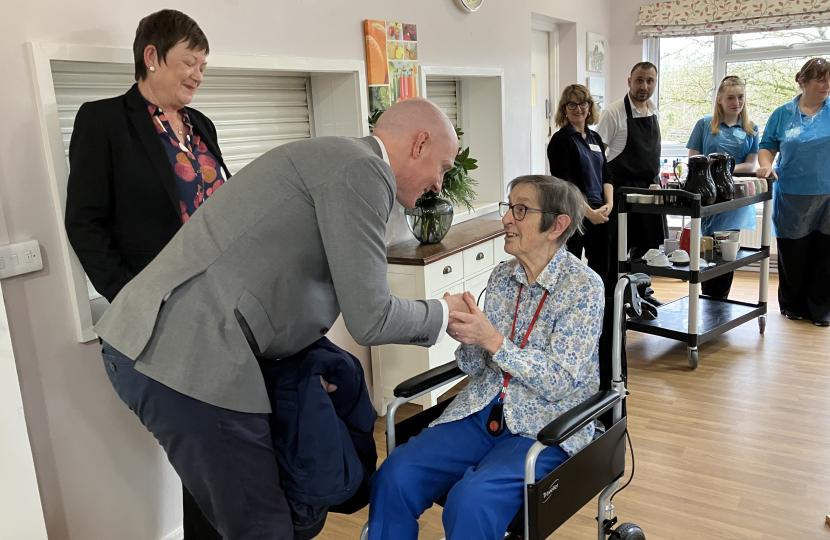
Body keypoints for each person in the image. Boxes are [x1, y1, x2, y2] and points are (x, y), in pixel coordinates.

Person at [93, 97, 473, 540]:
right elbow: (371, 317)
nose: (440, 184)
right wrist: (444, 312)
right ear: (419, 142)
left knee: (222, 515)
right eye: (443, 168)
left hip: (162, 345)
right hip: (187, 358)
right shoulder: (363, 169)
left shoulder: (334, 157)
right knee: (266, 525)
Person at [63, 10, 228, 539]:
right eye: (188, 62)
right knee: (198, 442)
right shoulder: (104, 120)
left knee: (234, 434)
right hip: (166, 313)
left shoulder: (200, 125)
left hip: (226, 305)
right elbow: (84, 222)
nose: (198, 75)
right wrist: (133, 298)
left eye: (203, 66)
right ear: (151, 57)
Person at [367, 175, 604, 540]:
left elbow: (559, 382)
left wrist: (493, 340)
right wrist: (465, 334)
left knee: (472, 500)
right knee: (395, 474)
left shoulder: (584, 288)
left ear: (557, 225)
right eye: (508, 207)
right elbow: (475, 367)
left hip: (545, 425)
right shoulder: (501, 277)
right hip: (481, 410)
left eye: (521, 210)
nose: (507, 218)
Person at [757, 58, 830, 327]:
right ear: (804, 81)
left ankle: (821, 309)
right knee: (794, 253)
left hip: (828, 193)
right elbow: (767, 146)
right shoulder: (783, 113)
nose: (827, 85)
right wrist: (765, 165)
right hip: (793, 194)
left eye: (829, 79)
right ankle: (792, 306)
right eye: (821, 79)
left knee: (825, 253)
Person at [687, 75, 760, 299]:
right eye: (730, 97)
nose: (735, 102)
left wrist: (724, 170)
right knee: (705, 252)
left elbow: (751, 163)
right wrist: (714, 172)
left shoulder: (751, 129)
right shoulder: (704, 125)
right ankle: (706, 299)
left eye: (740, 97)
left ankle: (720, 300)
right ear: (719, 98)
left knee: (727, 254)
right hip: (708, 196)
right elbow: (693, 157)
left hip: (734, 199)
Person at [596, 62, 667, 261]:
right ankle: (612, 293)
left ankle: (642, 292)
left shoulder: (654, 111)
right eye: (639, 80)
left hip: (650, 190)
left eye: (650, 81)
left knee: (648, 250)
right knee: (615, 250)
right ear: (630, 82)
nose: (644, 86)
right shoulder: (613, 112)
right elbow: (596, 156)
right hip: (622, 192)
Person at [547, 84, 614, 288]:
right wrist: (588, 213)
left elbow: (606, 173)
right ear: (564, 109)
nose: (578, 108)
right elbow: (566, 185)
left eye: (583, 103)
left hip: (600, 213)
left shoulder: (595, 138)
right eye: (572, 104)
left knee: (601, 270)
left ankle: (598, 314)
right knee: (571, 271)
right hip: (573, 215)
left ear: (590, 106)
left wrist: (608, 204)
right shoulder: (560, 141)